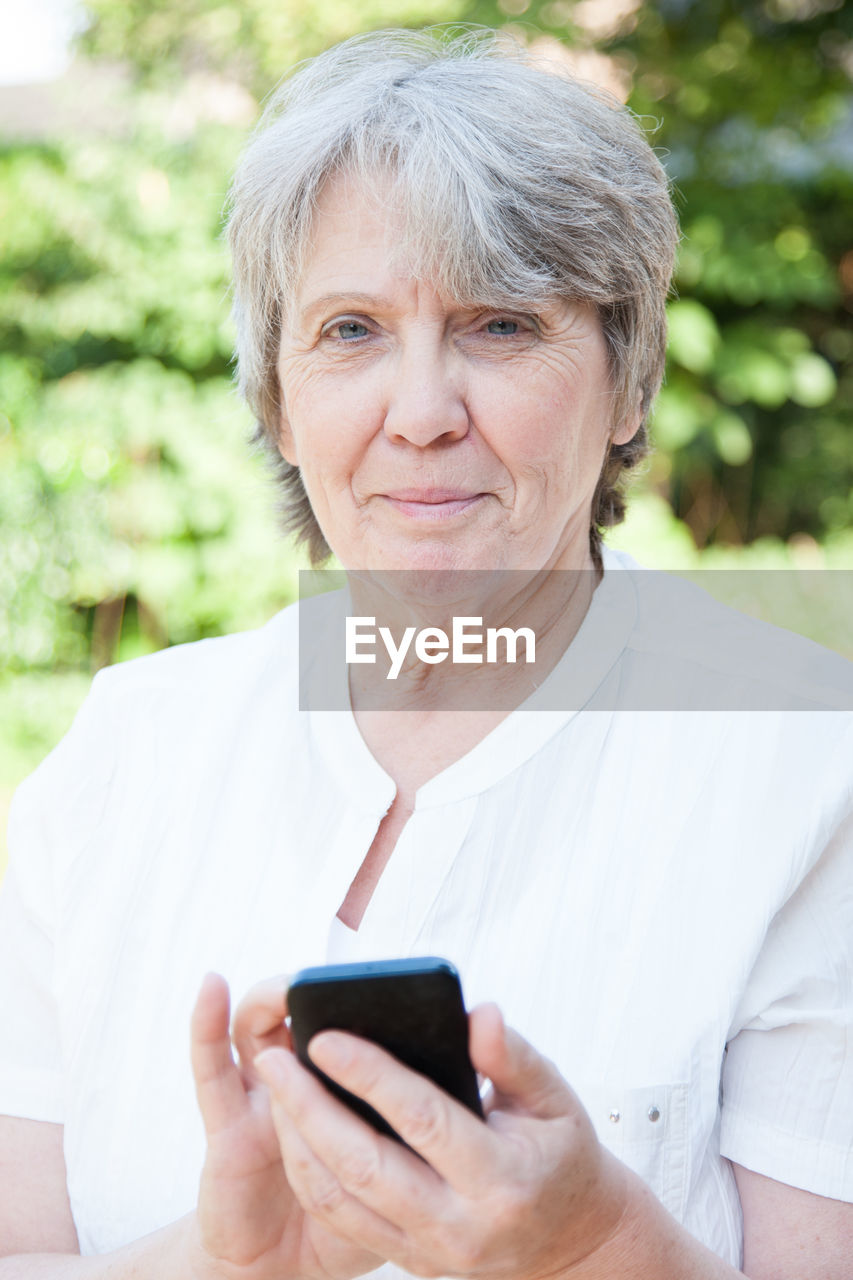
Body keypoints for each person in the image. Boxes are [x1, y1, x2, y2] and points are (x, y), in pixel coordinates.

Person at [0, 26, 851, 1280]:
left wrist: (600, 1241)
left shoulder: (805, 765)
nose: (420, 411)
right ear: (277, 400)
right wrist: (227, 1260)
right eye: (349, 331)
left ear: (626, 382)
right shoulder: (120, 757)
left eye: (499, 324)